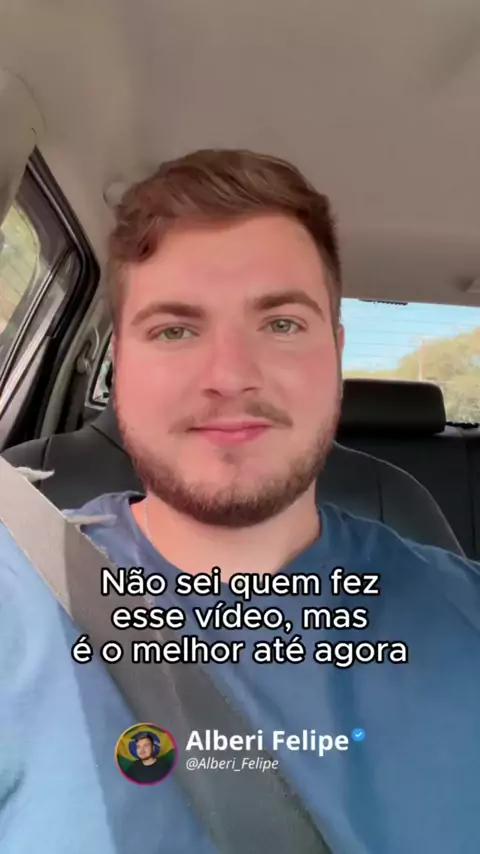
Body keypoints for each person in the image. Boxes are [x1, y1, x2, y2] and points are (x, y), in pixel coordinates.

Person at [1, 148, 480, 854]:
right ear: (120, 366)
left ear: (336, 354)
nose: (229, 375)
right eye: (175, 330)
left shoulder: (465, 615)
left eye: (281, 323)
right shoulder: (16, 594)